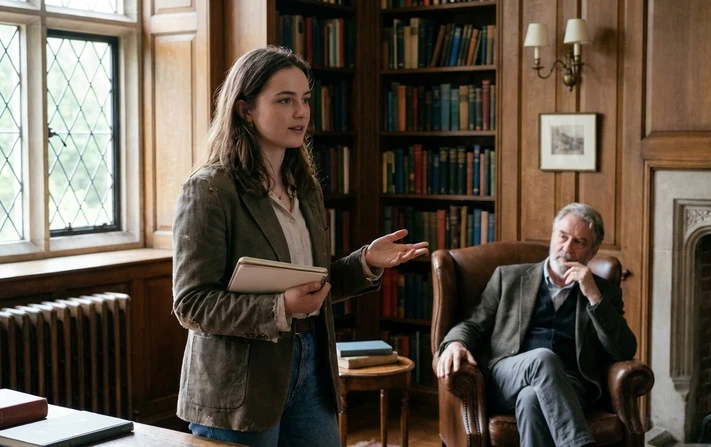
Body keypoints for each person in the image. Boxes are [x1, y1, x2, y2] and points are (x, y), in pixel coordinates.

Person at [171, 45, 428, 447]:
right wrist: (280, 308)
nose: (301, 112)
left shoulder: (303, 186)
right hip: (239, 385)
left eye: (305, 100)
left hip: (312, 366)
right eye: (285, 100)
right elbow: (191, 304)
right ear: (245, 109)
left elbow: (311, 285)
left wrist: (365, 262)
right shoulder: (209, 189)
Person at [436, 203, 636, 447]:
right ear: (552, 237)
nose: (567, 248)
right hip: (508, 375)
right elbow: (474, 323)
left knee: (531, 399)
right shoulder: (509, 278)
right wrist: (456, 342)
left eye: (579, 242)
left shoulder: (603, 293)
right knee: (543, 358)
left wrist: (594, 297)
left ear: (592, 252)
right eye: (562, 237)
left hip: (569, 382)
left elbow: (624, 350)